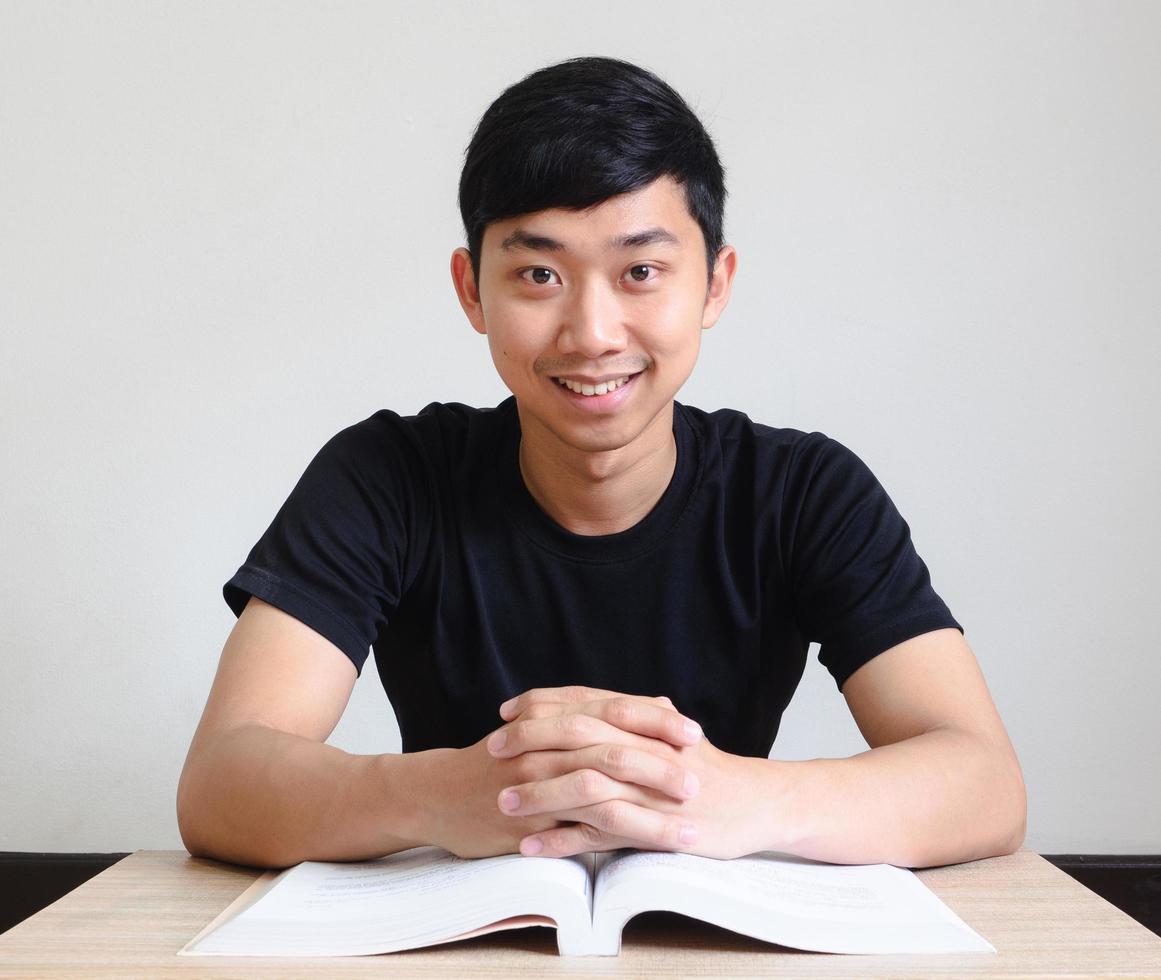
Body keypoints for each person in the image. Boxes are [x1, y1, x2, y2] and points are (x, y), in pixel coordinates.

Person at [176, 56, 1026, 872]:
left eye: (640, 271)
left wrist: (733, 798)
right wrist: (447, 793)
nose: (591, 333)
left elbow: (983, 785)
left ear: (714, 285)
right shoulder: (386, 477)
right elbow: (222, 780)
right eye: (539, 273)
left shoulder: (803, 493)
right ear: (472, 290)